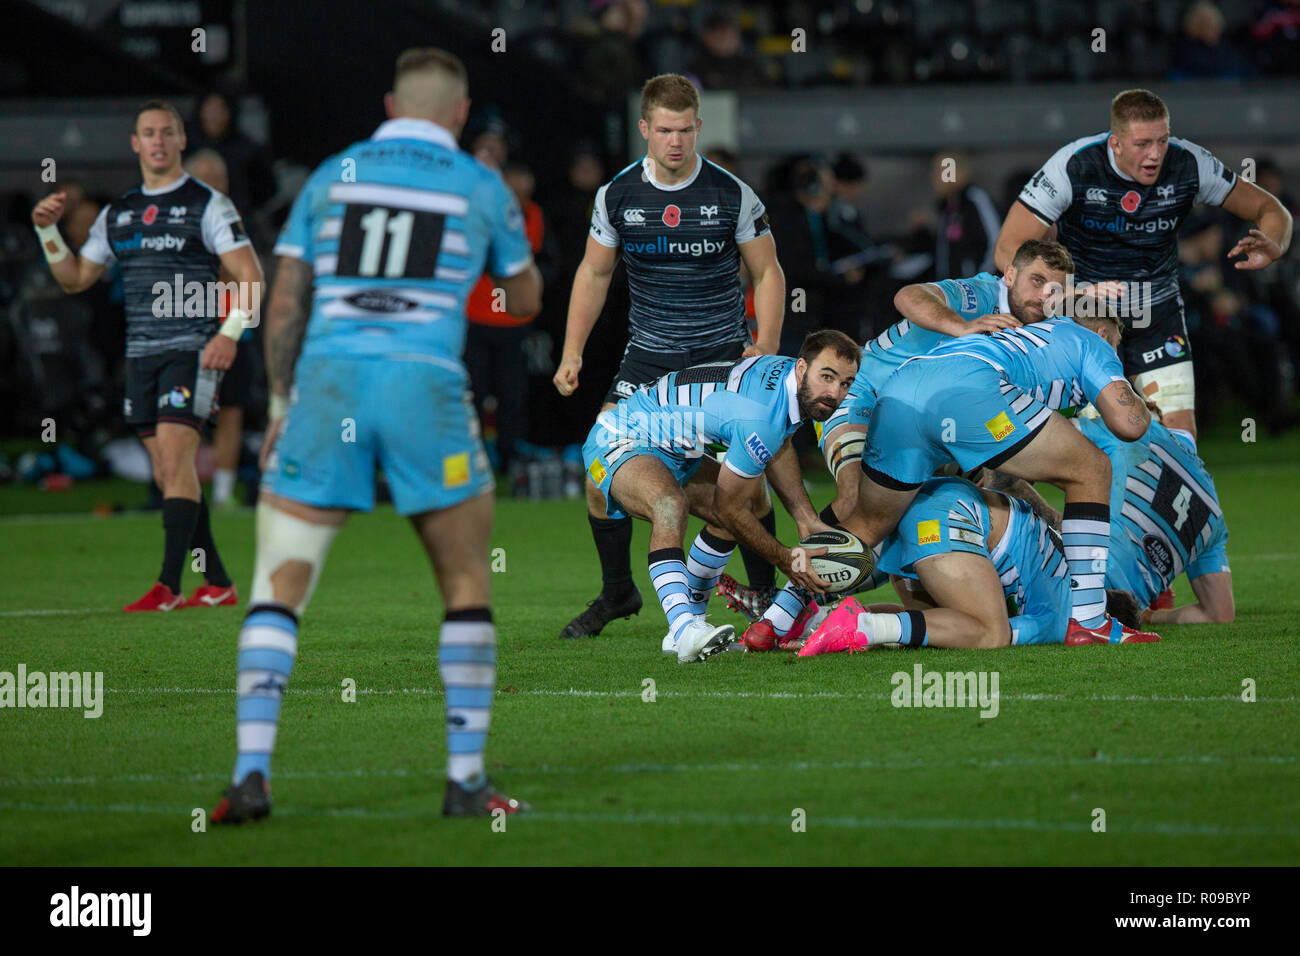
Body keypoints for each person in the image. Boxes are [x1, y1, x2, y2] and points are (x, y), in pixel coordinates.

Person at [209, 48, 542, 824]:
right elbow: (523, 297)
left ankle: (250, 775)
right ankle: (464, 782)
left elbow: (285, 300)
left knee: (278, 587)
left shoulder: (334, 174)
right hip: (425, 382)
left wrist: (282, 404)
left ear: (393, 105)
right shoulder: (480, 183)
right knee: (464, 583)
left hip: (329, 382)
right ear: (460, 114)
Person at [733, 239, 1074, 646]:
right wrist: (962, 326)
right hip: (866, 398)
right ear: (1011, 275)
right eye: (1036, 281)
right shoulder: (981, 296)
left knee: (910, 515)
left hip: (919, 431)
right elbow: (908, 295)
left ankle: (820, 612)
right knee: (858, 496)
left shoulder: (1032, 334)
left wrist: (1054, 518)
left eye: (1055, 290)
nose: (1043, 296)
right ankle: (778, 614)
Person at [553, 73, 786, 639]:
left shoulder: (732, 193)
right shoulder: (618, 195)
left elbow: (768, 271)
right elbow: (594, 271)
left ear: (698, 127)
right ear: (644, 130)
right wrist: (572, 351)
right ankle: (618, 593)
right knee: (597, 474)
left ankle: (765, 598)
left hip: (722, 358)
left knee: (740, 487)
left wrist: (768, 348)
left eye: (684, 130)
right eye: (663, 130)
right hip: (648, 360)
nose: (675, 141)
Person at [32, 99, 263, 612]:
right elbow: (75, 278)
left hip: (194, 349)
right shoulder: (121, 213)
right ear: (135, 144)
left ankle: (168, 586)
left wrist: (227, 333)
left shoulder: (209, 205)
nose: (158, 141)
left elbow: (251, 279)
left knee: (177, 461)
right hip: (141, 357)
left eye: (167, 132)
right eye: (148, 133)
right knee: (166, 472)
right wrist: (48, 231)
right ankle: (219, 582)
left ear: (182, 141)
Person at [841, 304, 1160, 646]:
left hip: (900, 390)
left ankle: (788, 614)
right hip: (969, 388)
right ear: (1102, 334)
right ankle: (1090, 620)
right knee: (1092, 468)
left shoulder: (1024, 338)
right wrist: (1138, 399)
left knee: (865, 527)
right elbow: (1130, 425)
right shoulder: (1091, 341)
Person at [995, 88, 1293, 440]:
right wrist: (1062, 295)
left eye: (1161, 141)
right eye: (1142, 144)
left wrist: (1274, 241)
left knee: (1180, 441)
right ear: (1115, 143)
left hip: (1157, 312)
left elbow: (1272, 210)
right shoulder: (1072, 166)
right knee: (1094, 442)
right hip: (1088, 317)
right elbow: (1007, 249)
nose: (1155, 154)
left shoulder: (1190, 164)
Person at [581, 330, 858, 661]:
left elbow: (779, 442)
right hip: (618, 437)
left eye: (845, 383)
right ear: (801, 367)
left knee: (750, 505)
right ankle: (683, 629)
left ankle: (691, 623)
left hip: (674, 448)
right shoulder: (760, 415)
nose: (834, 393)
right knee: (671, 505)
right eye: (827, 376)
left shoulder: (790, 382)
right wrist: (785, 559)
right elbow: (728, 506)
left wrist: (805, 518)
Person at [797, 475, 1080, 652]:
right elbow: (1010, 632)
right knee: (992, 632)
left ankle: (816, 620)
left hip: (919, 505)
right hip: (950, 519)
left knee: (937, 627)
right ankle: (865, 627)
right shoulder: (1069, 617)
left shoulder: (1065, 572)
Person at [1074, 413, 1233, 628]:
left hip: (1072, 584)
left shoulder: (1138, 431)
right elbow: (1220, 613)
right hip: (1119, 614)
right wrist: (1148, 616)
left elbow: (1042, 435)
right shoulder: (1215, 518)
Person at [185, 148, 254, 508]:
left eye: (220, 180)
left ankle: (224, 493)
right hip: (188, 327)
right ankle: (184, 492)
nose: (216, 186)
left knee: (230, 409)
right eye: (207, 180)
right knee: (185, 412)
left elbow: (244, 273)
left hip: (230, 326)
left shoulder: (235, 220)